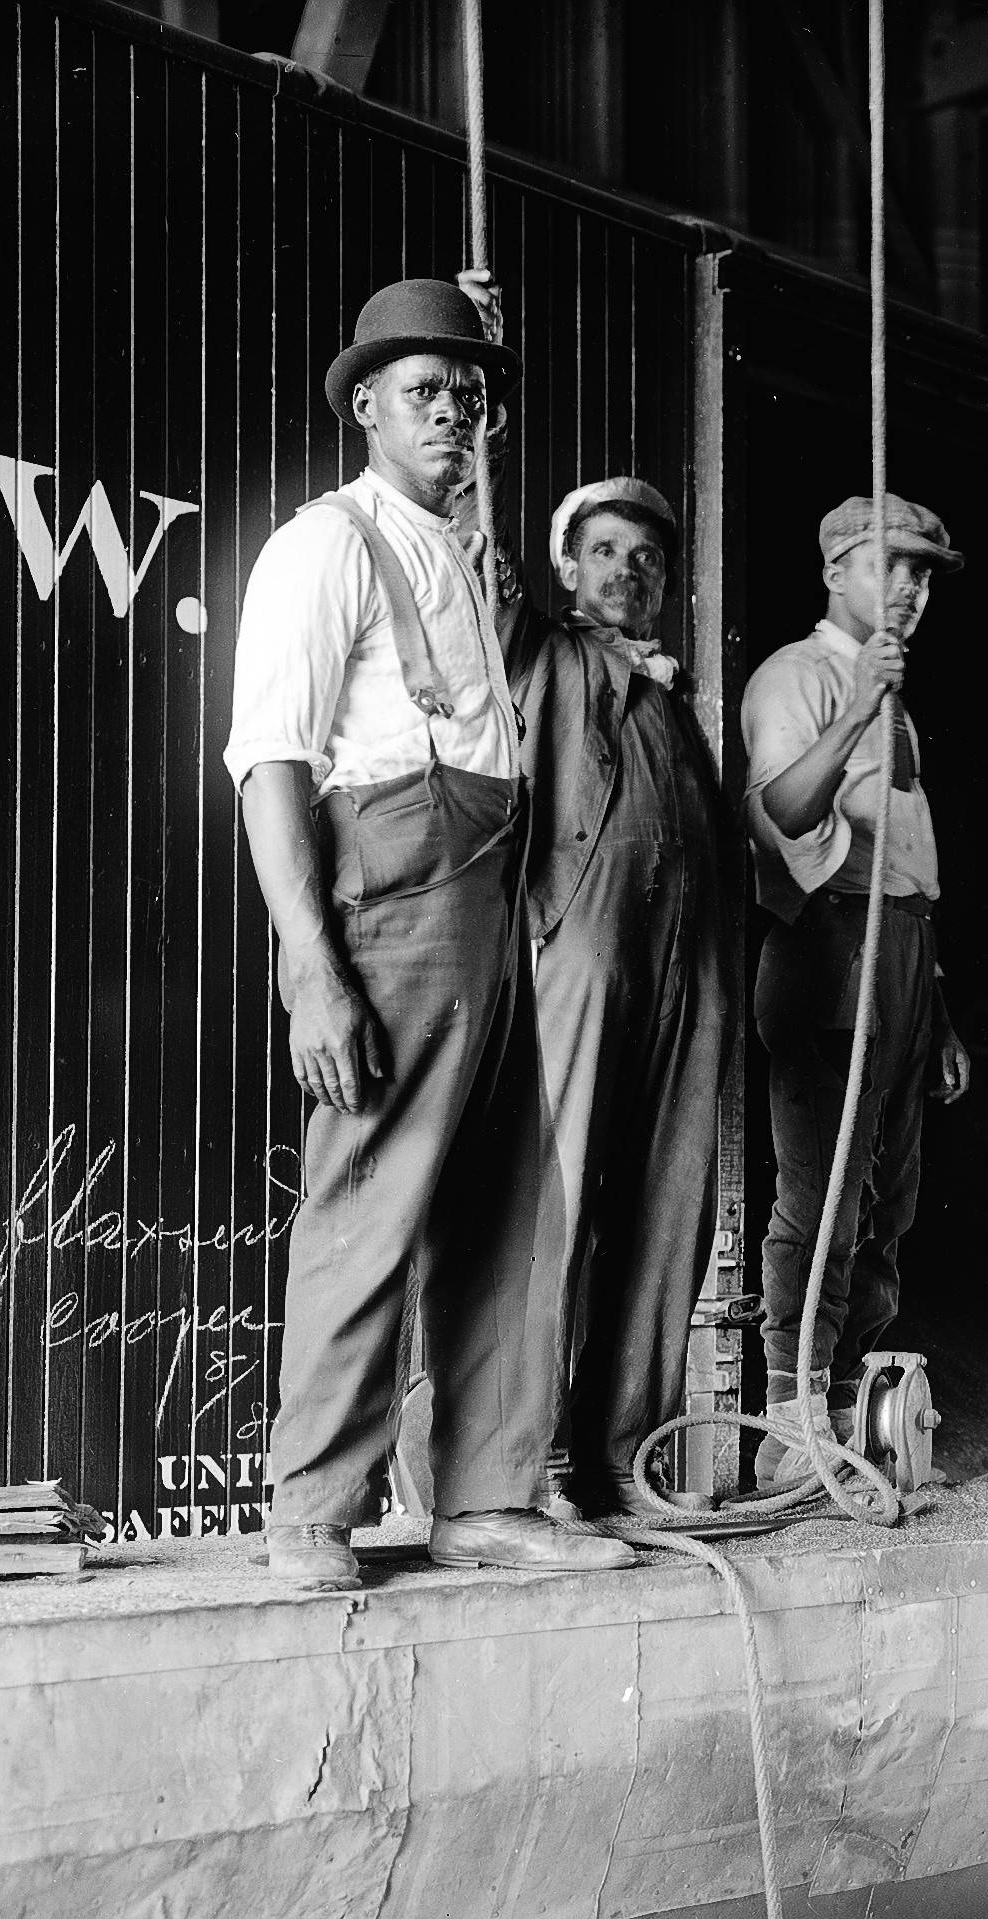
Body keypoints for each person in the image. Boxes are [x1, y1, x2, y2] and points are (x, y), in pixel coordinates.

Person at [219, 276, 632, 1584]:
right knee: (369, 1202)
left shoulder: (456, 558)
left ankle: (486, 1498)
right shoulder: (323, 547)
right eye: (423, 393)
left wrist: (480, 319)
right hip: (391, 913)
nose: (454, 414)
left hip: (488, 907)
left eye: (470, 393)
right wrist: (310, 971)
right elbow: (269, 764)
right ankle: (312, 1513)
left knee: (516, 1202)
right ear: (363, 408)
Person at [485, 474, 728, 1517]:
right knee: (562, 1201)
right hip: (582, 957)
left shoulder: (671, 695)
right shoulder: (542, 649)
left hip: (687, 974)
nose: (627, 571)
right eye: (605, 551)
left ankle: (624, 1456)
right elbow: (478, 574)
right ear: (564, 566)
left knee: (665, 1209)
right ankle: (531, 1463)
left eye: (647, 557)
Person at [740, 494, 974, 1467]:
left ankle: (845, 1400)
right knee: (824, 1196)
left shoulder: (894, 692)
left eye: (924, 574)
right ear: (835, 571)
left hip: (903, 957)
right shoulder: (797, 677)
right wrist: (860, 706)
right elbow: (782, 814)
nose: (913, 589)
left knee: (890, 1204)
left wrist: (943, 1012)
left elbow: (907, 864)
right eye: (893, 567)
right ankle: (789, 1424)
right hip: (829, 949)